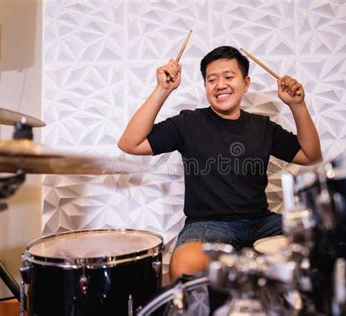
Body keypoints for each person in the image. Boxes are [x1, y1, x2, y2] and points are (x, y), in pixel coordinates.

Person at [118, 46, 322, 281]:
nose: (220, 85)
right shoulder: (188, 123)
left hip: (262, 222)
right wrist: (162, 90)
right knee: (185, 266)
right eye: (211, 80)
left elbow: (310, 155)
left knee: (324, 240)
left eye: (228, 77)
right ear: (205, 86)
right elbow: (129, 143)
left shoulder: (263, 127)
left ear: (245, 83)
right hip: (207, 225)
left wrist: (297, 105)